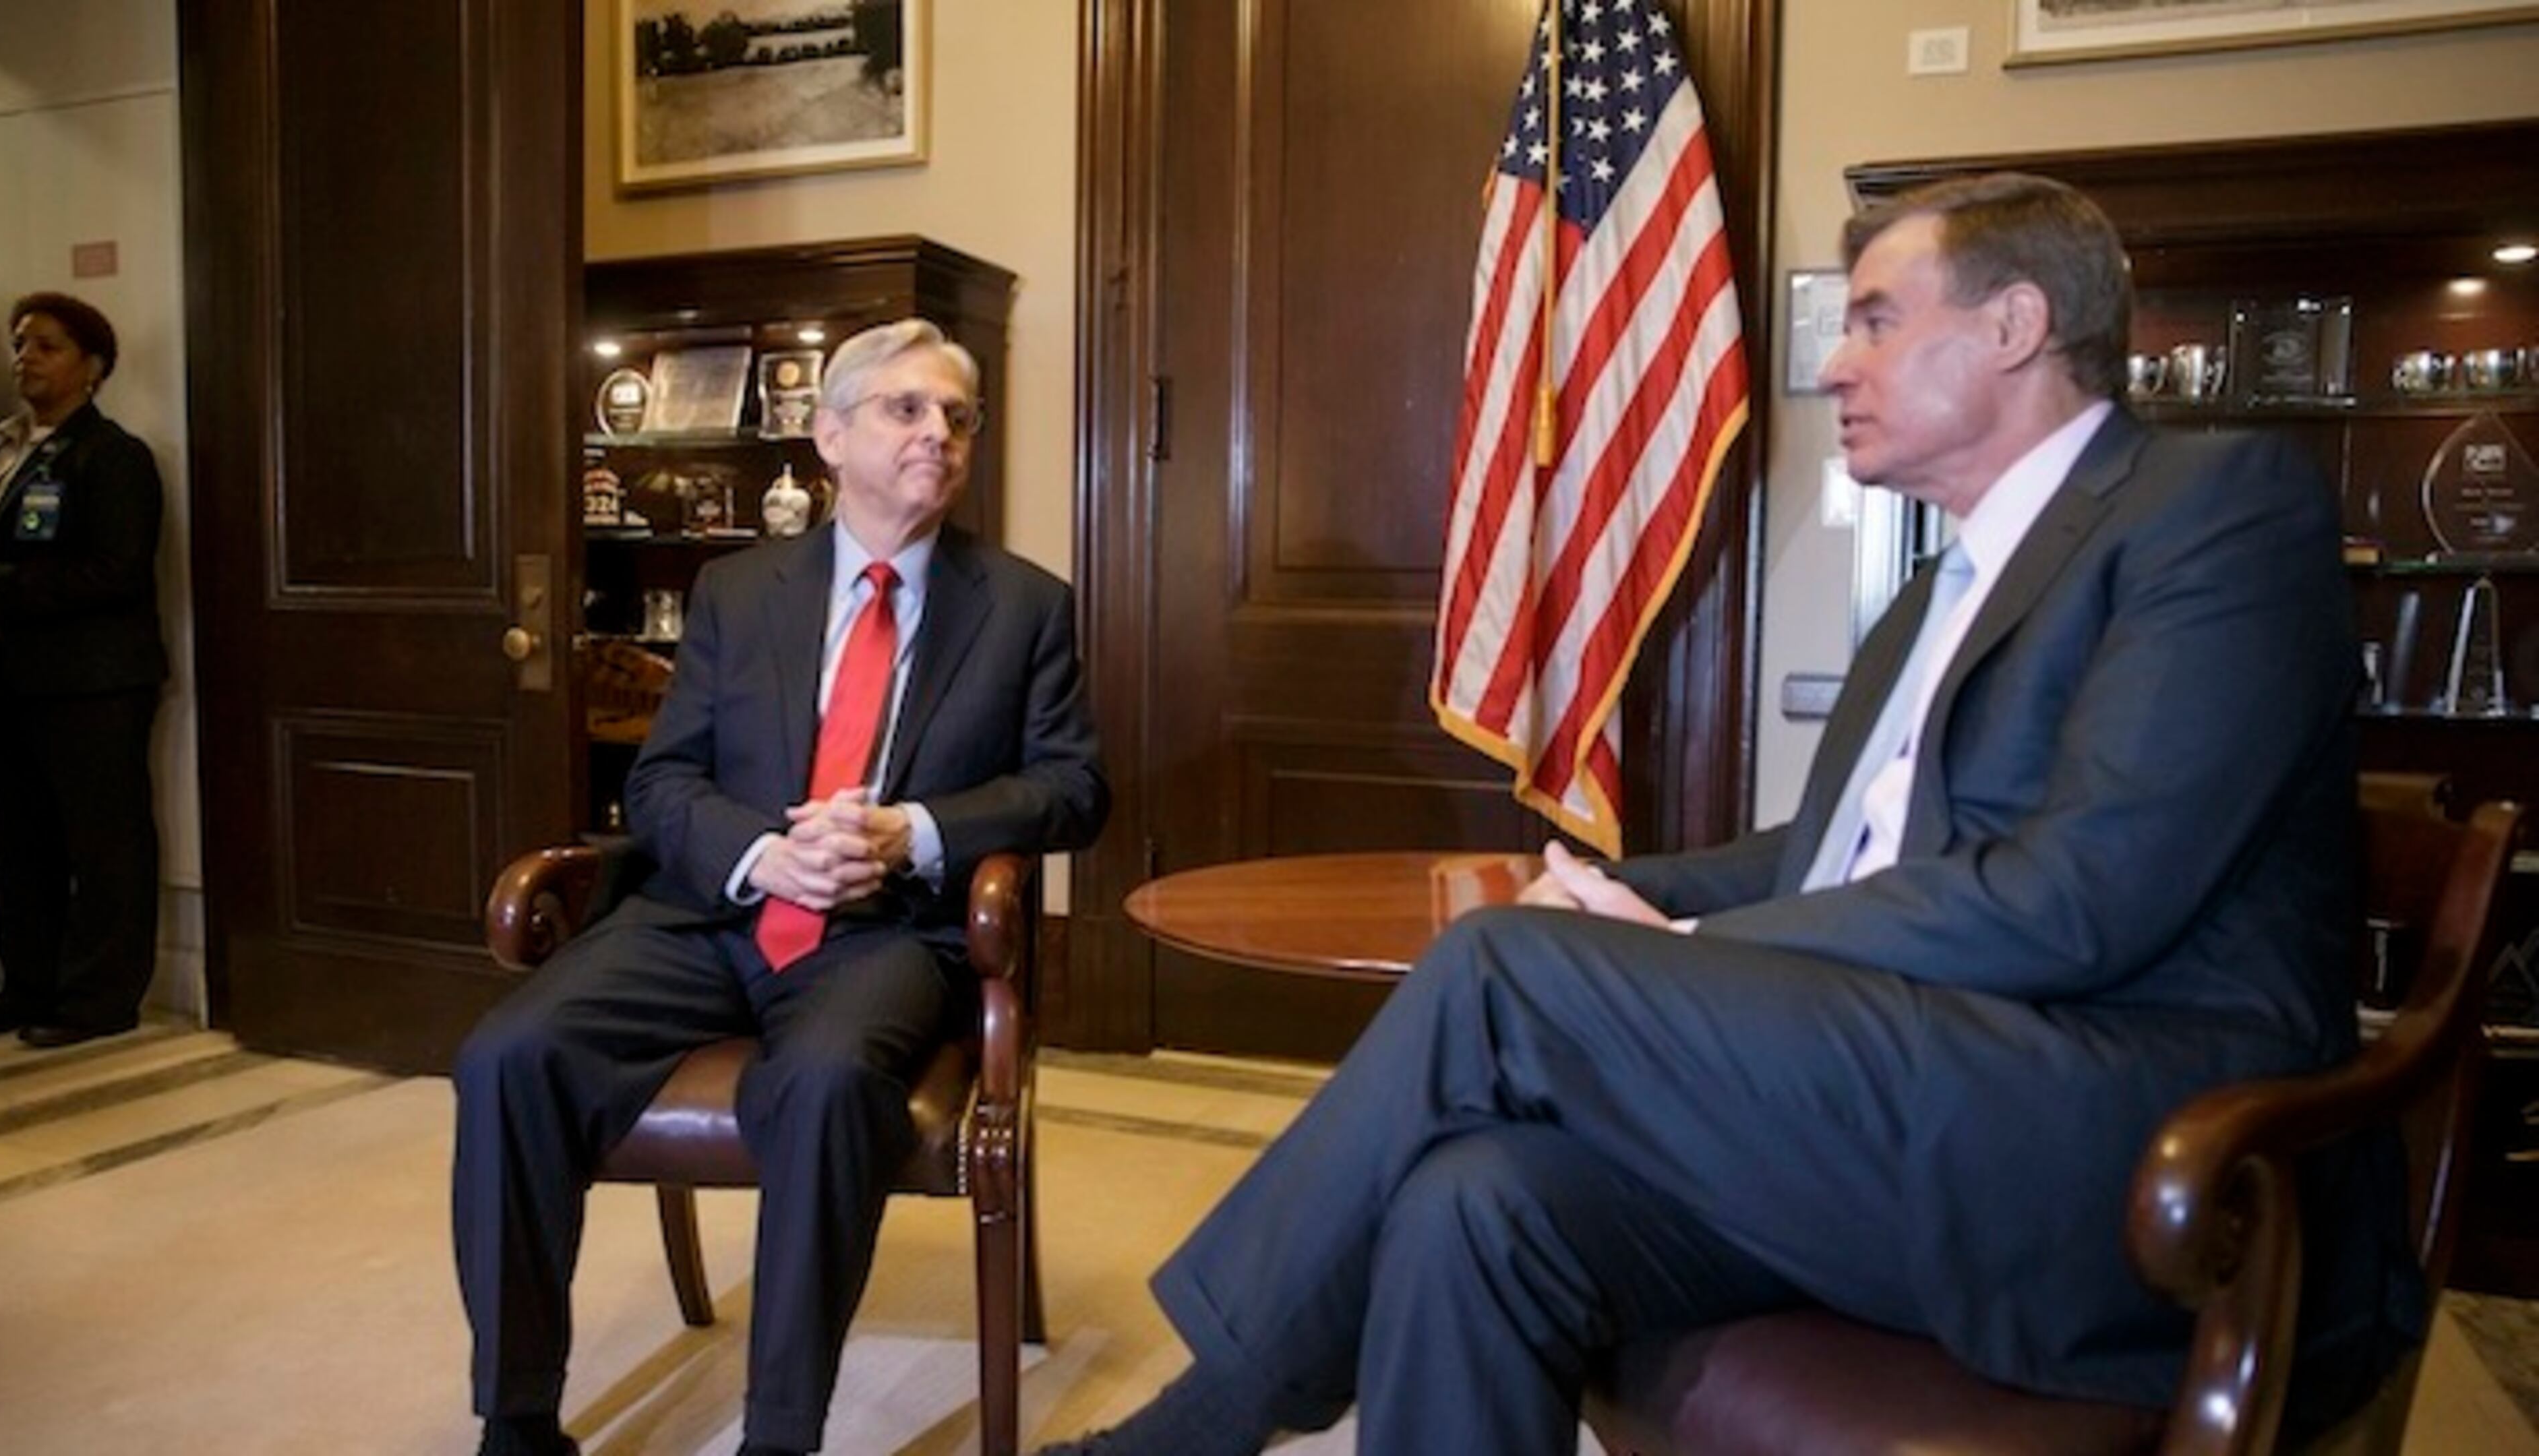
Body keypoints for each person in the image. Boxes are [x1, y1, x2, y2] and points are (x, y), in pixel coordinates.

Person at [1041, 173, 2416, 1456]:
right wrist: (1619, 890)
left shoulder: (2213, 513)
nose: (1833, 362)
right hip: (1891, 1108)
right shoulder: (1927, 606)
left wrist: (1677, 962)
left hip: (2117, 1150)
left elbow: (2081, 898)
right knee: (1477, 1199)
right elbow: (1815, 862)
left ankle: (1206, 1419)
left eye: (1877, 318)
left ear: (2014, 326)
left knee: (1508, 974)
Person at [453, 317, 1110, 1456]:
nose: (938, 435)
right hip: (710, 915)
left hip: (889, 935)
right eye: (907, 409)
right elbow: (664, 783)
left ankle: (780, 1437)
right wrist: (766, 855)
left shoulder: (1023, 605)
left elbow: (1074, 788)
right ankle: (517, 1420)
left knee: (823, 1085)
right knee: (510, 1056)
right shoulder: (739, 589)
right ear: (829, 436)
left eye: (958, 417)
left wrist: (912, 832)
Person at [0, 293, 169, 1049]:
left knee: (102, 841)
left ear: (93, 367)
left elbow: (113, 571)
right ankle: (27, 984)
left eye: (47, 346)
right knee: (19, 839)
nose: (25, 360)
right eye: (19, 345)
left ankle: (99, 997)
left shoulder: (112, 457)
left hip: (88, 680)